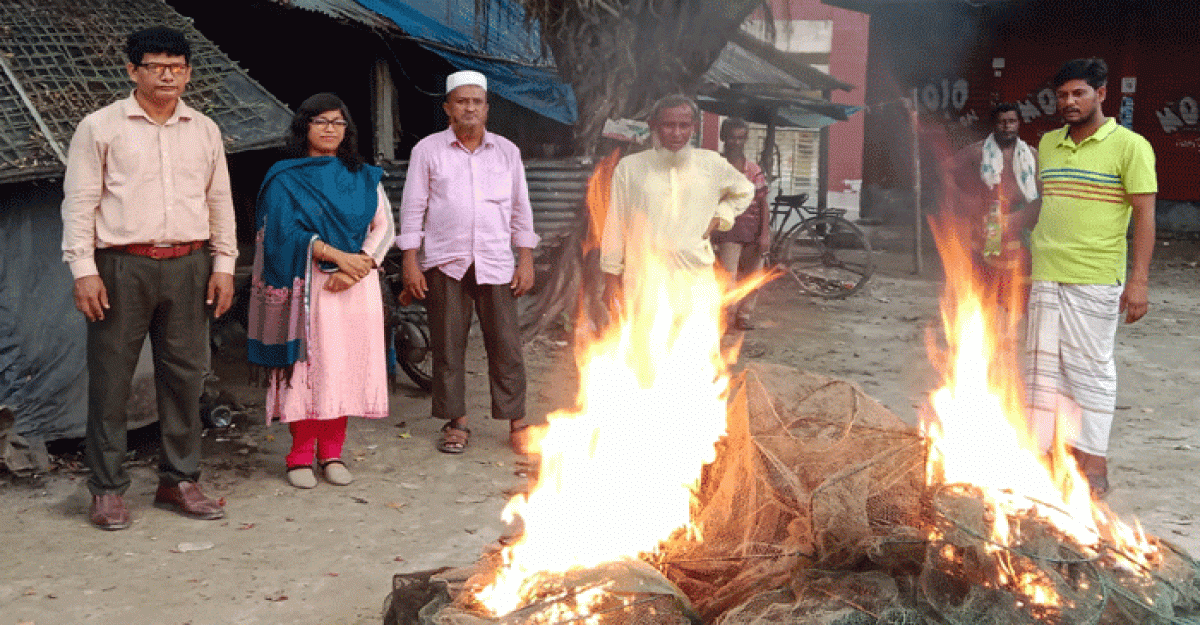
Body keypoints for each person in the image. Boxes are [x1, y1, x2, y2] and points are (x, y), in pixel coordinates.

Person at [61, 26, 236, 529]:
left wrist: (223, 264)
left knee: (185, 378)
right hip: (121, 265)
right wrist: (84, 269)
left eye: (177, 66)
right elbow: (80, 203)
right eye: (156, 65)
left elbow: (219, 200)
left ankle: (178, 480)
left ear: (188, 73)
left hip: (189, 264)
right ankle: (108, 488)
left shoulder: (203, 129)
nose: (168, 75)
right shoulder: (101, 126)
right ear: (132, 70)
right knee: (111, 378)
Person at [1024, 58, 1157, 499]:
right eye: (1062, 95)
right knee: (1044, 369)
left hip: (1096, 275)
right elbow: (1049, 202)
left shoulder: (1131, 146)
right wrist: (1005, 223)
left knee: (1092, 370)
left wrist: (1138, 281)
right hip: (1045, 271)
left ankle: (1094, 459)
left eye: (1079, 93)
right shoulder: (1046, 144)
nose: (1069, 102)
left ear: (1101, 94)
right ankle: (1048, 453)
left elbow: (1145, 216)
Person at [247, 93, 394, 489]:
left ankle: (332, 452)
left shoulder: (364, 176)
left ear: (347, 130)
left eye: (338, 122)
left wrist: (357, 267)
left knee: (344, 365)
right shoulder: (286, 176)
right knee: (310, 365)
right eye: (320, 121)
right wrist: (334, 256)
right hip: (307, 282)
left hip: (354, 287)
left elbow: (385, 228)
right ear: (305, 127)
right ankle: (298, 456)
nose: (330, 129)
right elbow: (278, 231)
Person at [397, 71, 539, 455]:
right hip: (445, 260)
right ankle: (456, 421)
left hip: (495, 260)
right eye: (462, 101)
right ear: (448, 108)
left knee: (506, 343)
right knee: (447, 344)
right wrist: (411, 262)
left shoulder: (507, 151)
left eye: (477, 101)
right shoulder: (428, 150)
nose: (470, 108)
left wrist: (524, 258)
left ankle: (517, 421)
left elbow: (520, 210)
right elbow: (413, 209)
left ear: (487, 109)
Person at [600, 95, 756, 308]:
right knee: (644, 342)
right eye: (668, 125)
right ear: (653, 125)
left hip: (695, 278)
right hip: (644, 282)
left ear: (693, 127)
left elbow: (745, 190)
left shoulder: (710, 164)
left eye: (683, 126)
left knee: (696, 341)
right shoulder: (630, 168)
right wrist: (610, 278)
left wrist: (722, 215)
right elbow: (615, 224)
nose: (676, 133)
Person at [949, 102, 1040, 312]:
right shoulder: (977, 151)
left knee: (1022, 269)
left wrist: (1033, 212)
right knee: (987, 268)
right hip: (989, 216)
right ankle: (988, 316)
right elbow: (945, 170)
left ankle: (1015, 315)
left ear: (1018, 123)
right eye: (1001, 122)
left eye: (1011, 121)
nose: (1006, 126)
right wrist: (963, 198)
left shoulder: (1032, 154)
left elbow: (1043, 189)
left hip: (1022, 217)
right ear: (994, 125)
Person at [711, 117, 771, 330]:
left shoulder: (753, 170)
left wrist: (765, 235)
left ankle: (744, 316)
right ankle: (726, 317)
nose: (735, 142)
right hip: (727, 233)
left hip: (753, 232)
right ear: (723, 138)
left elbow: (763, 203)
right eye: (731, 138)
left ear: (745, 139)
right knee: (728, 279)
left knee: (753, 278)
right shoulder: (715, 167)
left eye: (740, 138)